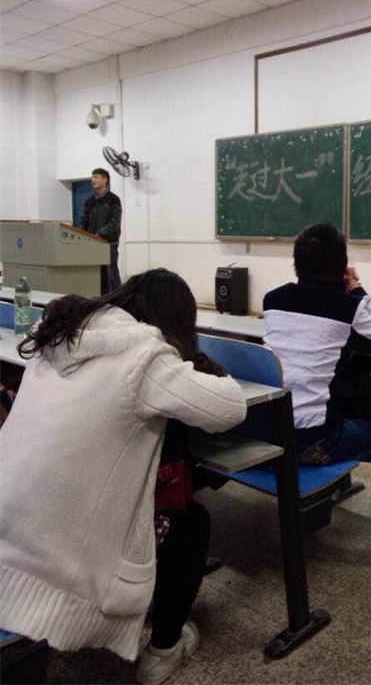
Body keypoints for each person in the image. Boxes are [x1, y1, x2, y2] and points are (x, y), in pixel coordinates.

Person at [0, 268, 247, 684]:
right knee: (189, 525)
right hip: (55, 555)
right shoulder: (145, 359)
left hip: (9, 516)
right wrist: (193, 360)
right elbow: (231, 407)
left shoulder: (58, 334)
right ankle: (163, 652)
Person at [263, 222, 371, 567]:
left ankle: (339, 487)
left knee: (341, 397)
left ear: (296, 262)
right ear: (342, 266)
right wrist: (357, 289)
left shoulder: (273, 300)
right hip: (311, 442)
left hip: (268, 430)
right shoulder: (347, 306)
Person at [80, 167, 122, 294]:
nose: (92, 180)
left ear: (105, 180)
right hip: (93, 243)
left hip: (109, 243)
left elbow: (115, 222)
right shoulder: (89, 201)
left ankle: (118, 299)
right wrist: (82, 234)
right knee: (97, 275)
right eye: (92, 177)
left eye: (96, 177)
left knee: (111, 274)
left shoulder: (113, 199)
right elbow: (84, 220)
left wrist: (101, 234)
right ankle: (101, 300)